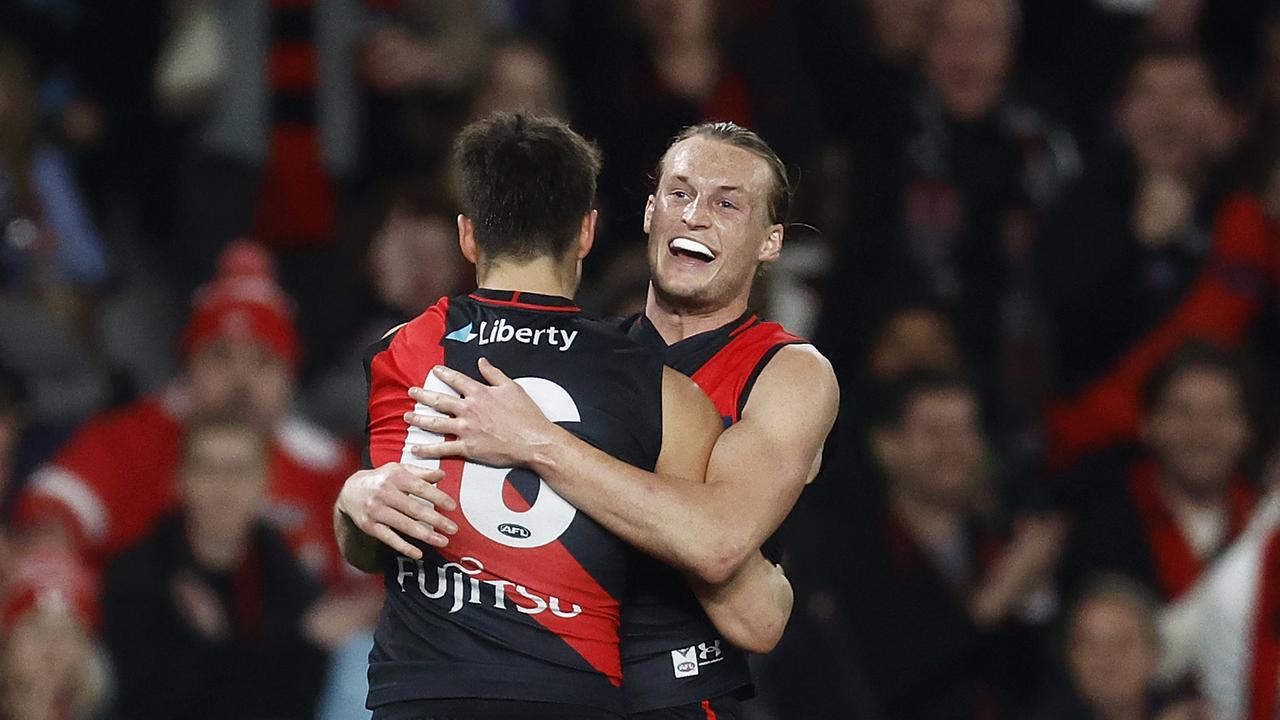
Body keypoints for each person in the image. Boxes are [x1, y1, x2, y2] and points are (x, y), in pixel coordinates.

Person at [334, 113, 792, 720]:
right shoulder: (663, 392)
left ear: (467, 236)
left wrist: (352, 496)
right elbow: (744, 602)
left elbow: (370, 546)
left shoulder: (403, 352)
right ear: (586, 233)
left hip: (422, 696)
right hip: (570, 695)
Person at [103, 412, 329, 720]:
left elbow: (295, 706)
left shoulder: (289, 581)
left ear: (264, 481)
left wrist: (305, 644)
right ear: (181, 480)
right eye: (207, 470)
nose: (223, 488)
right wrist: (207, 649)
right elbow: (139, 703)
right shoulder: (136, 575)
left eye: (238, 471)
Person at [1060, 341, 1259, 603]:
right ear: (1148, 425)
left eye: (1219, 413)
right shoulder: (1101, 525)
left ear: (1247, 430)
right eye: (1182, 413)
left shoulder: (1265, 524)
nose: (1201, 432)